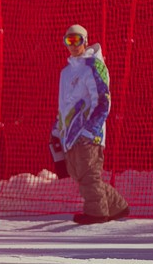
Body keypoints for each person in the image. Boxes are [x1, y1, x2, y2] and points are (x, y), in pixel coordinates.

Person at [50, 24, 130, 224]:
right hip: (70, 133)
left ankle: (96, 212)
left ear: (85, 41)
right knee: (79, 174)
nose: (73, 45)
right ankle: (117, 206)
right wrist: (58, 129)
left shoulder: (93, 66)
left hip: (87, 133)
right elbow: (64, 105)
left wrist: (91, 129)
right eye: (69, 40)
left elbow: (103, 100)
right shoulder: (66, 72)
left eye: (77, 40)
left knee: (88, 174)